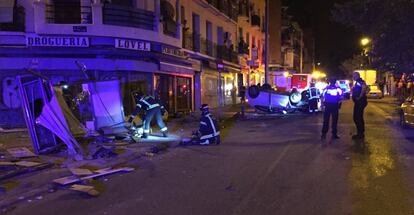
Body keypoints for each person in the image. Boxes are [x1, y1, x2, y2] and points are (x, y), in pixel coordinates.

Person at [352, 72, 368, 139]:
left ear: (357, 76)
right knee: (357, 117)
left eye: (354, 76)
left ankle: (360, 134)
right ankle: (360, 133)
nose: (353, 77)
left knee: (357, 117)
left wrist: (360, 96)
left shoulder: (359, 81)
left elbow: (364, 88)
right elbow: (368, 89)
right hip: (359, 102)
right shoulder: (358, 82)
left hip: (360, 102)